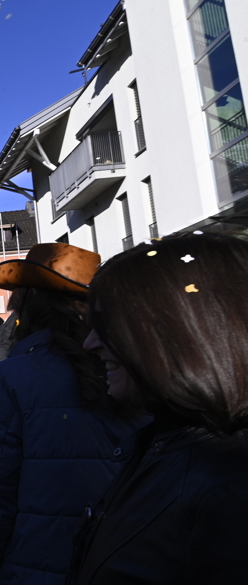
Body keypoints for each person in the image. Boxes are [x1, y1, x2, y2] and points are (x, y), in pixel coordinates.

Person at [0, 243, 145, 585]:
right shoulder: (136, 369)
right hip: (127, 563)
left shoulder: (11, 379)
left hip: (36, 566)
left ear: (27, 305)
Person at [68, 233, 248, 583]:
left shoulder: (229, 485)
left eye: (108, 326)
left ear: (181, 331)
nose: (90, 343)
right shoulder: (165, 443)